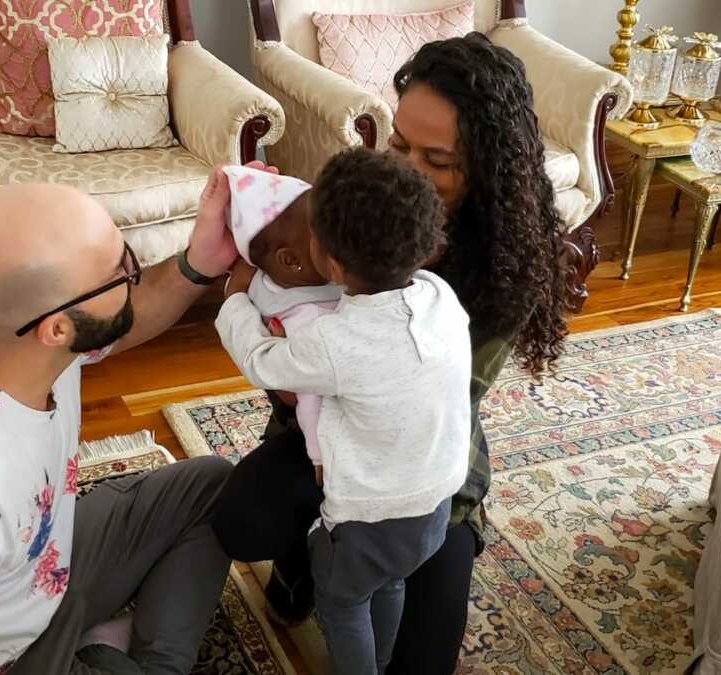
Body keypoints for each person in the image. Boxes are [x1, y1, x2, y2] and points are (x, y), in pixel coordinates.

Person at [213, 33, 570, 674]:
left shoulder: (502, 264)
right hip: (326, 429)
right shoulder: (357, 204)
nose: (406, 169)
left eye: (437, 158)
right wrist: (260, 221)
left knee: (420, 661)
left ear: (487, 169)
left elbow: (455, 401)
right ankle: (302, 558)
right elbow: (281, 307)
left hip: (426, 460)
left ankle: (341, 557)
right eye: (399, 143)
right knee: (243, 523)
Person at [0, 163, 267, 675]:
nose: (134, 275)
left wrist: (200, 263)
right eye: (122, 271)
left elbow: (117, 318)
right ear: (56, 329)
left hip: (39, 572)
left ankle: (114, 651)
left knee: (215, 485)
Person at [222, 165, 343, 474]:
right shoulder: (309, 317)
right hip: (330, 440)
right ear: (290, 259)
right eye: (325, 235)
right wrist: (320, 456)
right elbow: (307, 396)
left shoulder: (267, 279)